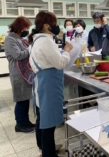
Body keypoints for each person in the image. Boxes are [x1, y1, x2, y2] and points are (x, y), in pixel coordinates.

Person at [28, 11, 73, 157]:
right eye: (55, 23)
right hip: (48, 84)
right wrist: (66, 51)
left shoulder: (37, 40)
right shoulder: (46, 41)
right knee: (49, 121)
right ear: (47, 25)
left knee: (42, 116)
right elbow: (60, 64)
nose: (57, 26)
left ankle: (43, 146)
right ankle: (49, 153)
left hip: (41, 81)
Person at [4, 16, 35, 133]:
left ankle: (26, 121)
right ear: (20, 27)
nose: (27, 30)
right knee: (20, 100)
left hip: (25, 72)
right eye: (26, 28)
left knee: (26, 98)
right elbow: (19, 55)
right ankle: (20, 124)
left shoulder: (20, 39)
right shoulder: (9, 40)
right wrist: (31, 47)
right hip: (17, 74)